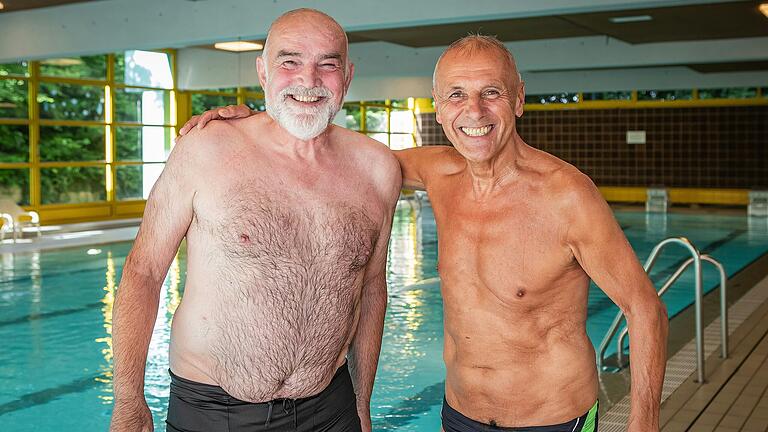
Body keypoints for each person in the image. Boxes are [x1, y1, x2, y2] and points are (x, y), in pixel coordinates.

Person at [184, 34, 669, 432]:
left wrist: (643, 420)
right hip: (459, 417)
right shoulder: (438, 174)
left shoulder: (568, 197)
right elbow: (338, 156)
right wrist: (262, 123)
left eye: (492, 93)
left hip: (553, 419)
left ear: (518, 98)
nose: (474, 112)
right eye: (456, 95)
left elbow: (644, 307)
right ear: (437, 108)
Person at [110, 8, 401, 432]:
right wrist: (128, 398)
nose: (309, 80)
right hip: (215, 410)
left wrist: (361, 404)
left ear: (348, 75)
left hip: (331, 408)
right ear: (263, 72)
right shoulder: (206, 149)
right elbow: (144, 272)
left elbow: (372, 288)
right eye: (290, 62)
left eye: (328, 64)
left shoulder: (377, 169)